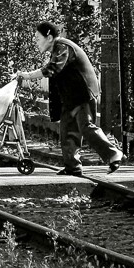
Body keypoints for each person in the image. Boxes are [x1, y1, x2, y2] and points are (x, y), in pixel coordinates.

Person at [16, 21, 123, 176]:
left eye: (38, 38)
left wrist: (28, 76)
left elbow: (53, 68)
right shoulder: (57, 48)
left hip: (83, 93)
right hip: (71, 96)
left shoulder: (63, 46)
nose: (36, 42)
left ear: (49, 37)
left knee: (86, 126)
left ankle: (114, 154)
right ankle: (73, 166)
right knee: (67, 129)